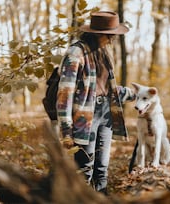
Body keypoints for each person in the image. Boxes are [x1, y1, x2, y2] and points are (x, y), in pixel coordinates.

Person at [56, 11, 135, 195]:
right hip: (84, 117)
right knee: (84, 169)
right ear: (100, 33)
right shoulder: (76, 52)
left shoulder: (104, 53)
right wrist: (66, 131)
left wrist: (135, 94)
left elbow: (106, 88)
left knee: (102, 169)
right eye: (112, 34)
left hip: (106, 113)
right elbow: (64, 93)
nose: (114, 38)